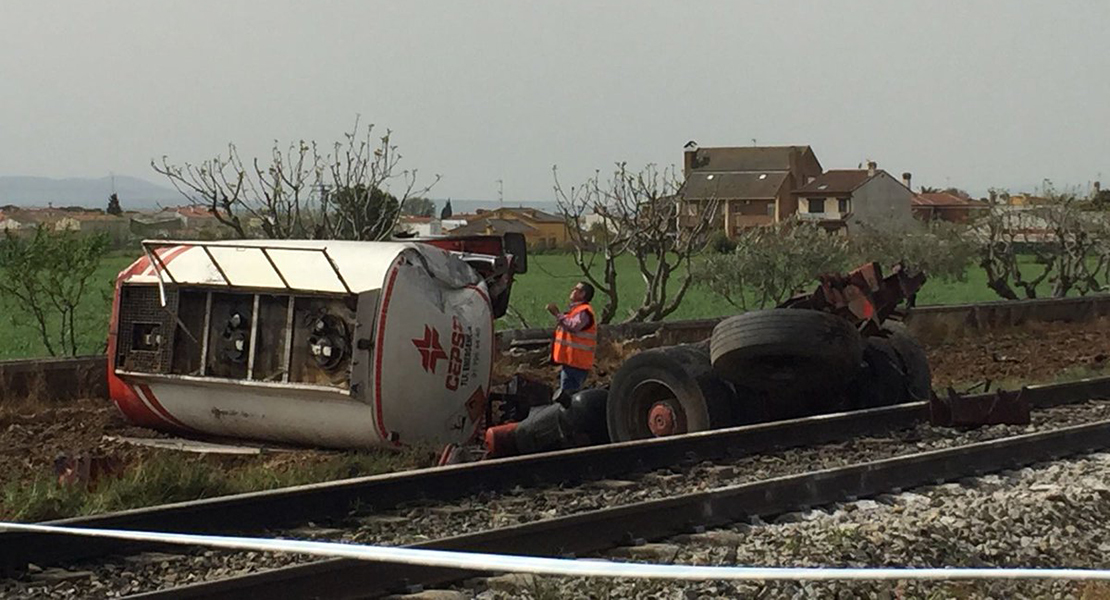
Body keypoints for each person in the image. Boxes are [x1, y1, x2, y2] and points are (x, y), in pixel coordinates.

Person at [546, 281, 597, 395]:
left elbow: (573, 326)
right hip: (572, 361)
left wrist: (557, 314)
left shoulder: (584, 311)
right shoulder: (576, 311)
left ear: (582, 294)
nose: (572, 291)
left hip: (577, 362)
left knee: (568, 395)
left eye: (576, 289)